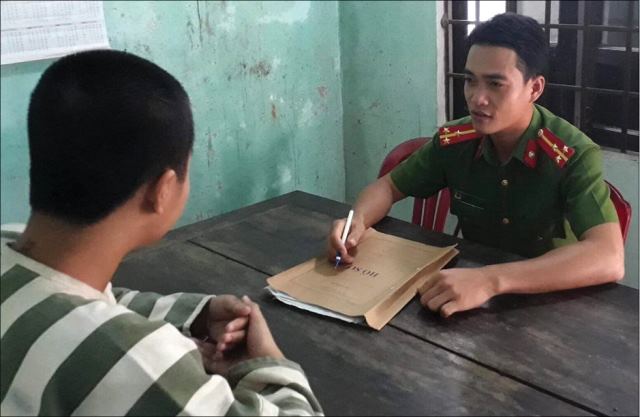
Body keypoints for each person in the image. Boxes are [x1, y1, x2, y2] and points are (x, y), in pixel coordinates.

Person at [1, 50, 323, 416]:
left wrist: (196, 315)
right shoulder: (136, 361)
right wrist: (267, 363)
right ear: (162, 190)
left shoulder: (13, 243)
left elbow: (82, 299)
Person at [328, 13, 624, 319]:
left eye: (495, 84)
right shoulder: (455, 141)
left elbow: (609, 256)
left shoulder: (571, 154)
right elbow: (388, 187)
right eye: (470, 80)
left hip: (549, 306)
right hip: (468, 300)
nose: (477, 98)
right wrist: (356, 222)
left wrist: (490, 280)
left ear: (534, 89)